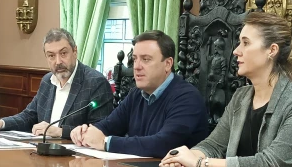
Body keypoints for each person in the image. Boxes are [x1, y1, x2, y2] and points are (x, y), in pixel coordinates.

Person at [160, 12, 292, 167]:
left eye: (245, 43)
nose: (236, 50)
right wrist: (185, 157)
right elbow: (213, 145)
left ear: (272, 50)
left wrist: (200, 163)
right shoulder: (241, 96)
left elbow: (270, 165)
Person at [70, 30, 208, 158]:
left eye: (146, 59)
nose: (136, 66)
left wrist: (105, 142)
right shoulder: (136, 94)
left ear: (168, 64)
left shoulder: (187, 98)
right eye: (135, 59)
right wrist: (85, 132)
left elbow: (164, 144)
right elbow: (108, 126)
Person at [0, 28, 113, 138]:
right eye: (51, 56)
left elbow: (101, 131)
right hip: (45, 155)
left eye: (63, 53)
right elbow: (29, 116)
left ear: (75, 51)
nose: (58, 61)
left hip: (79, 162)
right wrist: (1, 123)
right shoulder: (47, 81)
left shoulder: (95, 83)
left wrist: (60, 132)